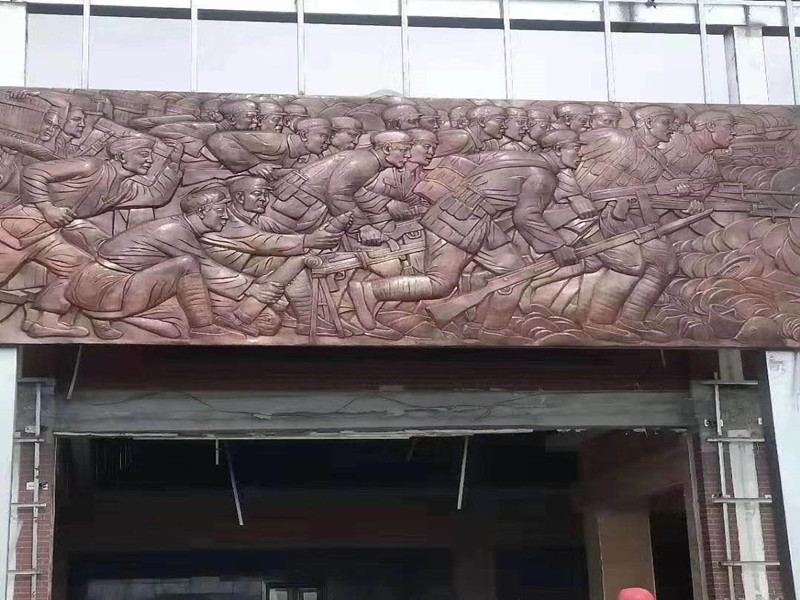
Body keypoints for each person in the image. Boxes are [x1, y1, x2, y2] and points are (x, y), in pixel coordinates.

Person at [348, 133, 582, 341]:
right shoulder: (542, 176)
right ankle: (370, 290)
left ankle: (488, 329)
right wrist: (558, 246)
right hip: (459, 221)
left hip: (472, 219)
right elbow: (526, 216)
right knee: (441, 283)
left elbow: (461, 163)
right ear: (558, 149)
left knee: (514, 273)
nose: (580, 154)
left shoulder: (512, 156)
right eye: (575, 148)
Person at [0, 136, 183, 338]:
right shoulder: (90, 165)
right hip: (17, 229)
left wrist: (173, 163)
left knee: (81, 271)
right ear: (122, 156)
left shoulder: (123, 189)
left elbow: (155, 195)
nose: (150, 160)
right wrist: (47, 207)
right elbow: (33, 172)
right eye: (143, 154)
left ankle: (45, 321)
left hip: (47, 236)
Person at [65, 187, 283, 340]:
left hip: (113, 286)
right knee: (187, 263)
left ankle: (111, 317)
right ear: (202, 211)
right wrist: (251, 287)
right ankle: (202, 326)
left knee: (177, 325)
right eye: (220, 211)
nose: (225, 217)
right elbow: (206, 268)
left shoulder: (180, 228)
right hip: (106, 288)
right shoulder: (173, 230)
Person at [575, 104, 691, 342]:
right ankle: (598, 322)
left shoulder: (657, 159)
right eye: (666, 123)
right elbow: (564, 146)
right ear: (648, 123)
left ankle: (631, 319)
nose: (672, 129)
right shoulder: (617, 138)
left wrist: (681, 200)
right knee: (630, 261)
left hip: (619, 219)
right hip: (583, 217)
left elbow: (643, 198)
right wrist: (573, 196)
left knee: (666, 262)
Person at [200, 176, 343, 336]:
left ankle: (306, 318)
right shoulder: (227, 222)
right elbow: (263, 242)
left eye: (266, 194)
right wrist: (309, 240)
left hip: (253, 266)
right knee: (298, 260)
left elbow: (289, 236)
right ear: (240, 197)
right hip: (232, 272)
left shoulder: (261, 221)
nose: (264, 199)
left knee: (300, 257)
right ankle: (305, 319)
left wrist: (323, 235)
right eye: (257, 194)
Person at [207, 117, 333, 179]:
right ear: (304, 135)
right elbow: (218, 139)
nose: (328, 142)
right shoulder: (274, 143)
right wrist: (253, 165)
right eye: (324, 136)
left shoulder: (309, 156)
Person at [435, 104, 507, 157]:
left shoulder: (489, 145)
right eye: (500, 121)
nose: (505, 126)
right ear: (481, 121)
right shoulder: (461, 137)